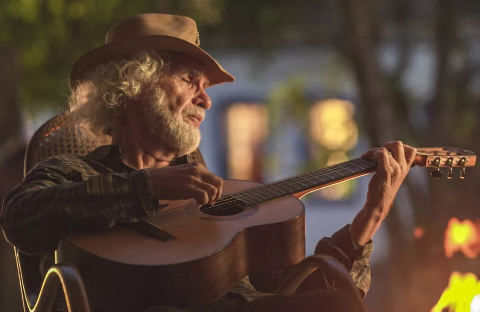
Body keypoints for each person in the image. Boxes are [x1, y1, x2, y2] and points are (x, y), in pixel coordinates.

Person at [0, 13, 416, 312]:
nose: (206, 99)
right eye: (188, 80)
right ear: (132, 86)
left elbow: (299, 285)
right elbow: (20, 218)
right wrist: (147, 188)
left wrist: (371, 216)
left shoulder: (212, 197)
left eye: (205, 86)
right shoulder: (74, 173)